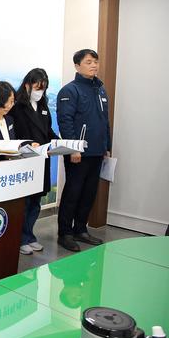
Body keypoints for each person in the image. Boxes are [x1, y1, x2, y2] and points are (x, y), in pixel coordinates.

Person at [56, 49, 111, 252]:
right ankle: (65, 233)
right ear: (77, 66)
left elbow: (104, 121)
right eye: (89, 62)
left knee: (89, 193)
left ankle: (80, 229)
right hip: (77, 153)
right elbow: (65, 121)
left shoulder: (100, 90)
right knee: (73, 192)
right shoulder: (69, 91)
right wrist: (73, 149)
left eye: (95, 61)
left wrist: (107, 146)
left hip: (97, 151)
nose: (94, 65)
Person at [9, 68, 59, 255]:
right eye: (37, 87)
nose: (40, 92)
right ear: (27, 85)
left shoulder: (44, 106)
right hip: (25, 160)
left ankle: (29, 235)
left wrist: (59, 143)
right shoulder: (17, 107)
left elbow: (48, 131)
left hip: (42, 159)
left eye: (43, 88)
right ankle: (20, 238)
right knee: (24, 203)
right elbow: (13, 135)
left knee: (36, 202)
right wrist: (29, 144)